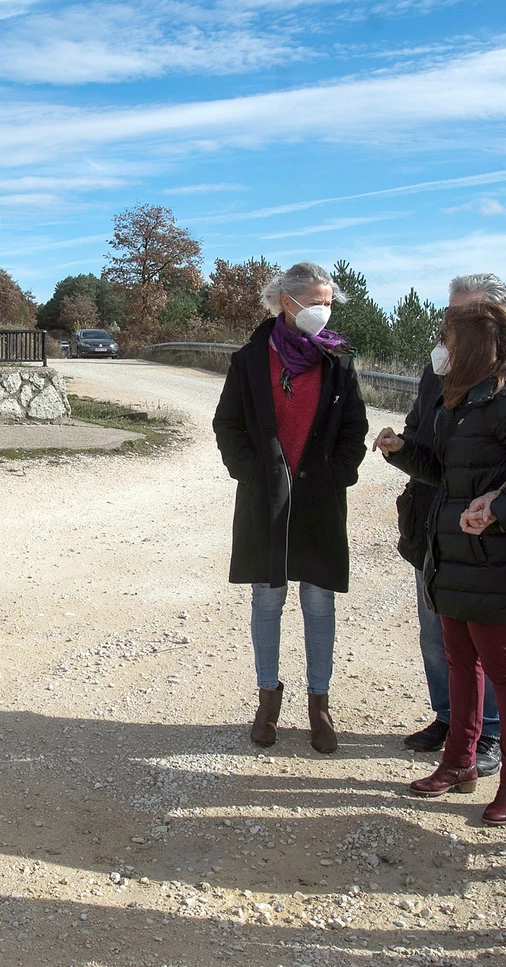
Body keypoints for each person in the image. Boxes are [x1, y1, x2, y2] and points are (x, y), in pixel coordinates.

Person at [382, 300, 506, 825]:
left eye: (448, 337)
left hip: (496, 561)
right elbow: (444, 473)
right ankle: (459, 762)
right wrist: (400, 452)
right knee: (462, 663)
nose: (441, 347)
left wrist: (498, 509)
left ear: (474, 348)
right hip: (451, 556)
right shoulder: (456, 402)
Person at [212, 262, 370, 754]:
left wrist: (338, 473)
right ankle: (267, 699)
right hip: (266, 498)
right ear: (288, 302)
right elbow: (228, 424)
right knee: (267, 598)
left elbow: (354, 429)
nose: (323, 311)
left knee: (320, 601)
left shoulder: (338, 359)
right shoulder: (250, 359)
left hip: (321, 498)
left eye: (328, 302)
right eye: (316, 301)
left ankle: (318, 704)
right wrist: (251, 472)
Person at [386, 273, 506, 776]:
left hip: (486, 533)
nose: (451, 326)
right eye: (448, 315)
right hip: (432, 522)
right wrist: (401, 449)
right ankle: (452, 718)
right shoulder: (437, 371)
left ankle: (491, 733)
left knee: (487, 641)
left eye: (466, 316)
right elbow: (424, 440)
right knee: (436, 633)